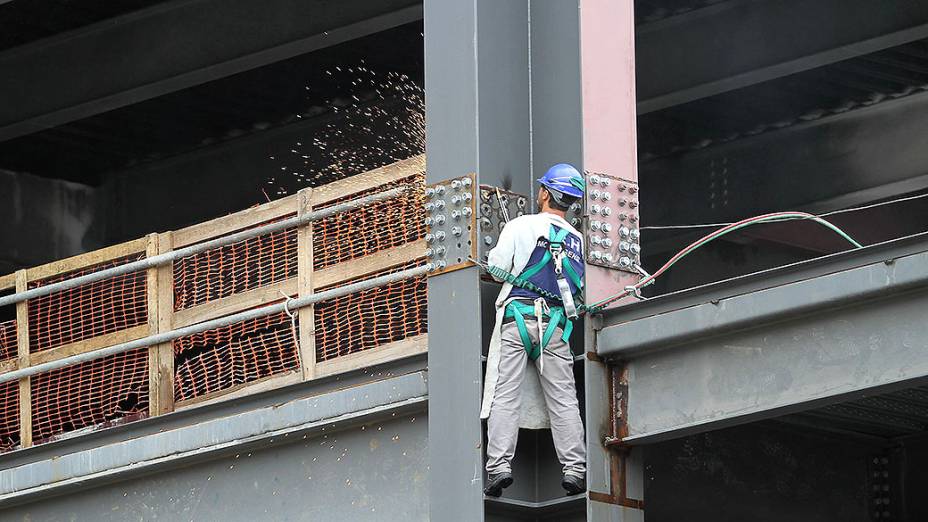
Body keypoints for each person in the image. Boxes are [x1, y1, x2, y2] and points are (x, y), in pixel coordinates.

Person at [481, 163, 586, 497]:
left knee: (505, 394)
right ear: (569, 201)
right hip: (555, 327)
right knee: (564, 400)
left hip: (518, 318)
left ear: (544, 193)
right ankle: (575, 469)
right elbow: (578, 284)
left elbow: (497, 270)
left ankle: (498, 468)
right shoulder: (577, 240)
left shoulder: (520, 225)